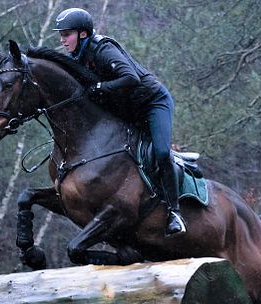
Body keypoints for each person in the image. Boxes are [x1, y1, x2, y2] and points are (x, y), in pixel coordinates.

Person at [53, 7, 187, 237]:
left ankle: (175, 213)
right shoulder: (77, 58)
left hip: (153, 103)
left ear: (83, 34)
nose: (62, 40)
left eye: (67, 34)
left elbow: (130, 78)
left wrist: (99, 88)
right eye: (61, 35)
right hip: (128, 110)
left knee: (162, 153)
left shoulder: (103, 50)